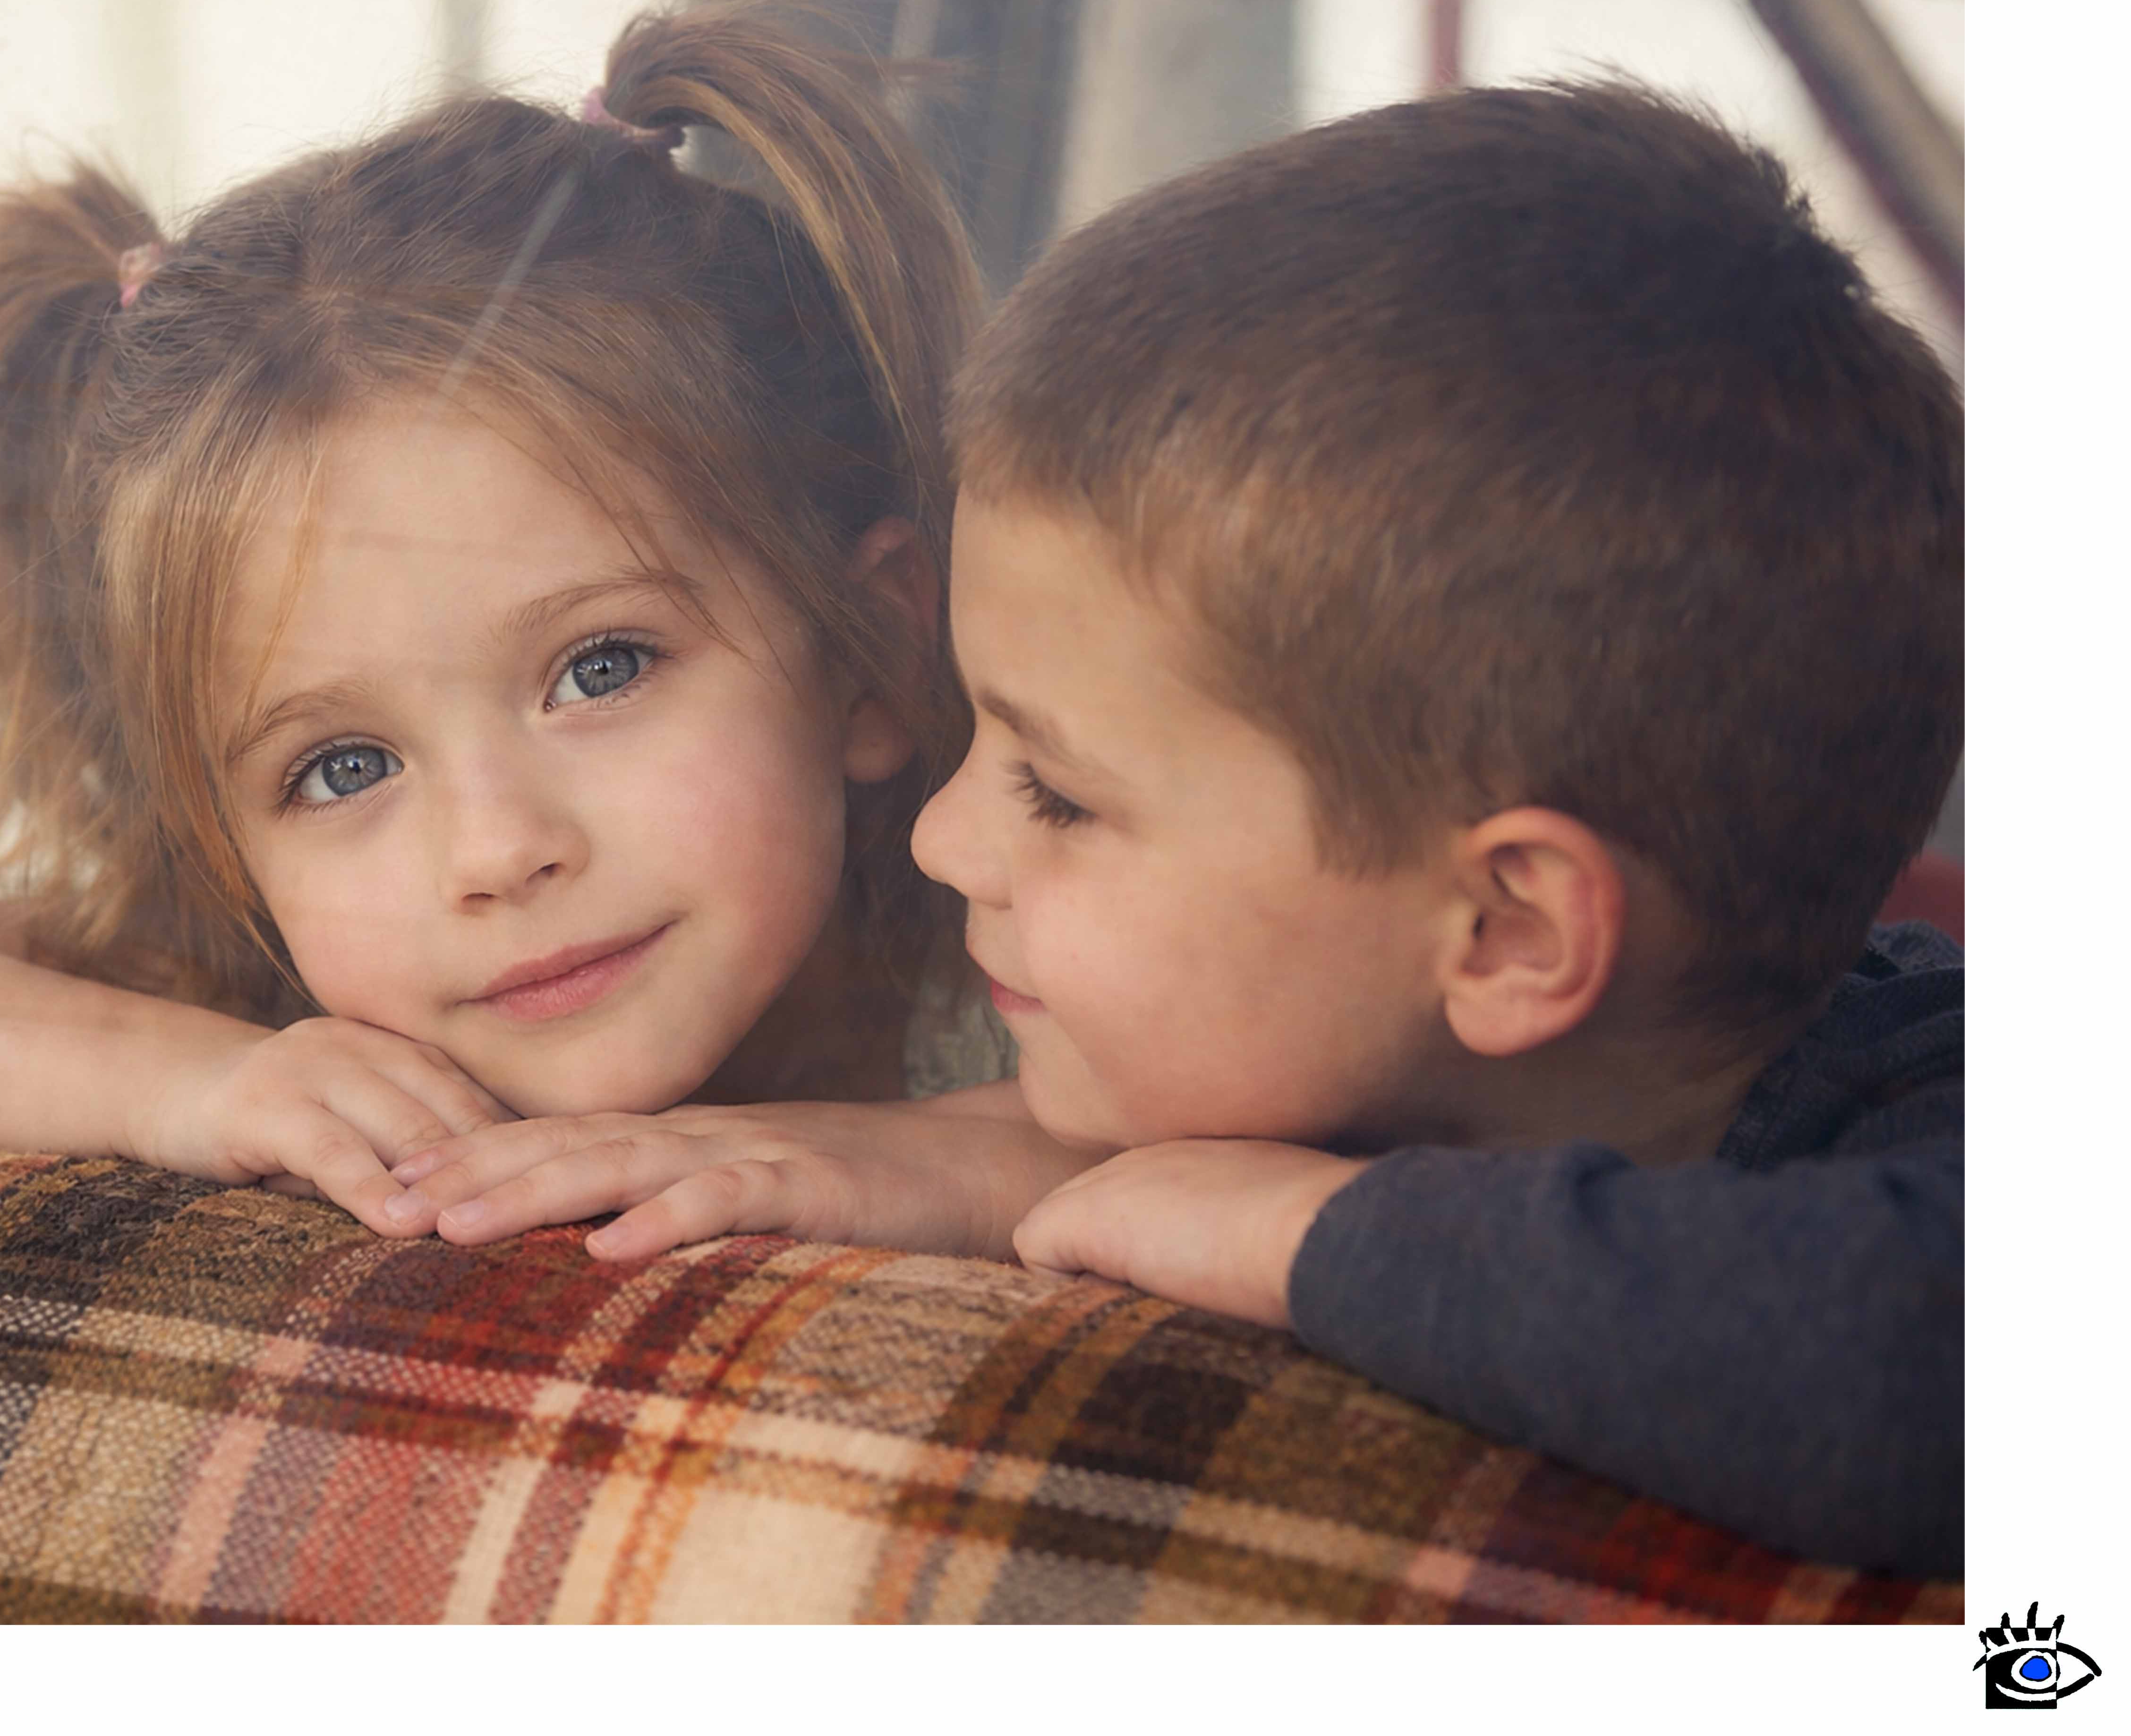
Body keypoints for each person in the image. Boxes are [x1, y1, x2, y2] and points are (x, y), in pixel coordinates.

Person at [385, 80, 1964, 1575]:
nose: (942, 840)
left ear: (1507, 934)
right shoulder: (1353, 1033)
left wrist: (1301, 1229)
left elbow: (1918, 1372)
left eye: (1059, 792)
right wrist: (968, 1163)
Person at [0, 6, 1100, 1242]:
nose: (498, 853)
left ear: (872, 646)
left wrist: (918, 1166)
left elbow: (1280, 1160)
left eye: (602, 668)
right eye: (344, 769)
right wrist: (201, 1083)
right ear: (226, 849)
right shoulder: (269, 1012)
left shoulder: (1019, 969)